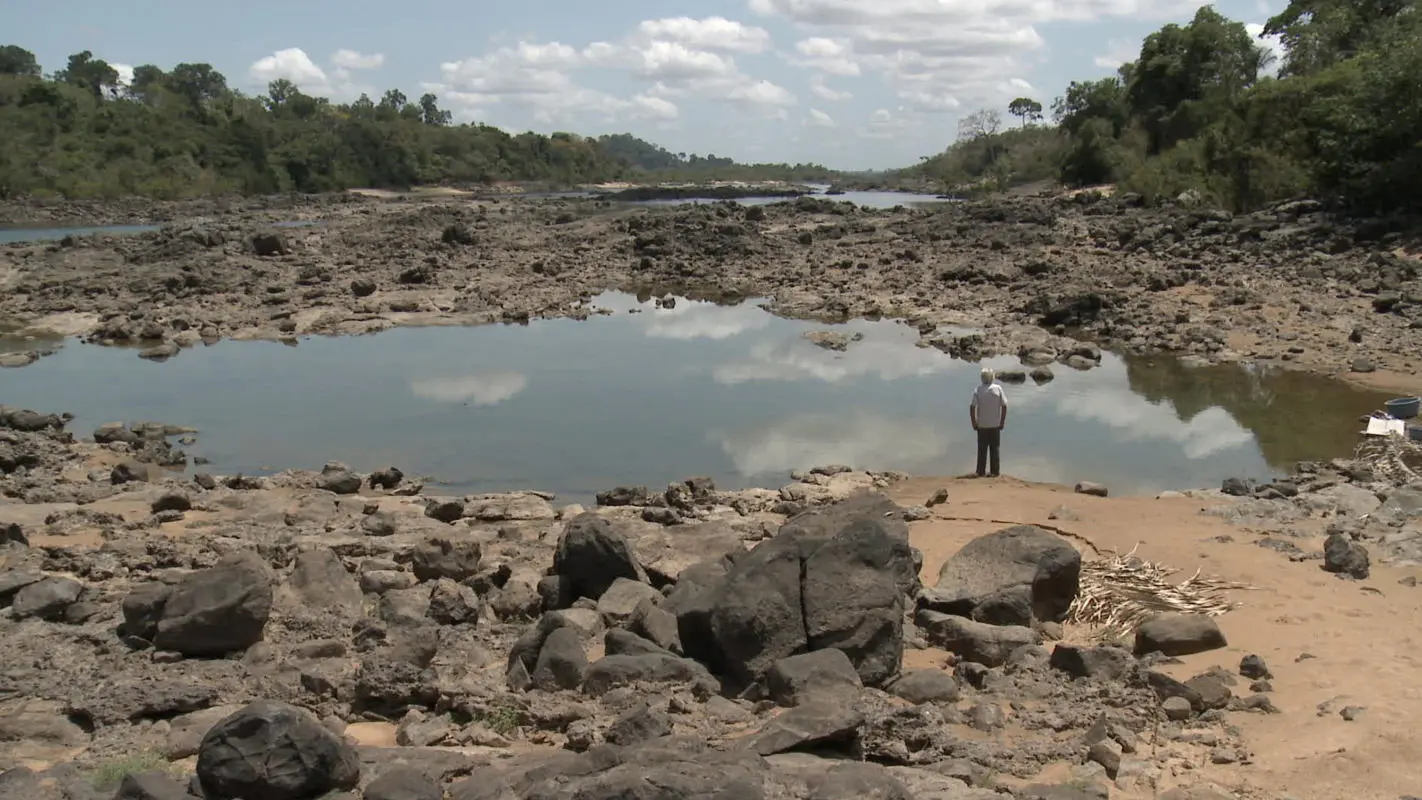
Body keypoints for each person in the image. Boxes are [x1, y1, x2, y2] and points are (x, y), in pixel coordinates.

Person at [970, 367, 1007, 477]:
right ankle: (994, 472)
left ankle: (980, 471)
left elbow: (972, 407)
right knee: (995, 449)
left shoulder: (978, 390)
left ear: (982, 378)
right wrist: (1002, 421)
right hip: (995, 424)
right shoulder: (998, 388)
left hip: (982, 425)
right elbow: (1004, 406)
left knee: (982, 449)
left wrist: (974, 422)